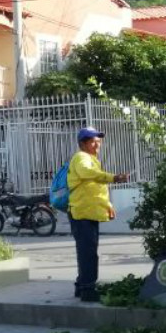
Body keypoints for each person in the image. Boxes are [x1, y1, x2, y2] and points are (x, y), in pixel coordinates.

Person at [67, 127, 129, 303]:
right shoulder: (81, 158)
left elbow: (96, 188)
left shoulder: (92, 159)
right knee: (88, 253)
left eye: (98, 141)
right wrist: (113, 177)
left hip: (89, 213)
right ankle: (87, 290)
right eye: (93, 141)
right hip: (82, 214)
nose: (97, 144)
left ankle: (82, 286)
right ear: (83, 144)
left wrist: (108, 205)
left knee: (87, 251)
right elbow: (88, 174)